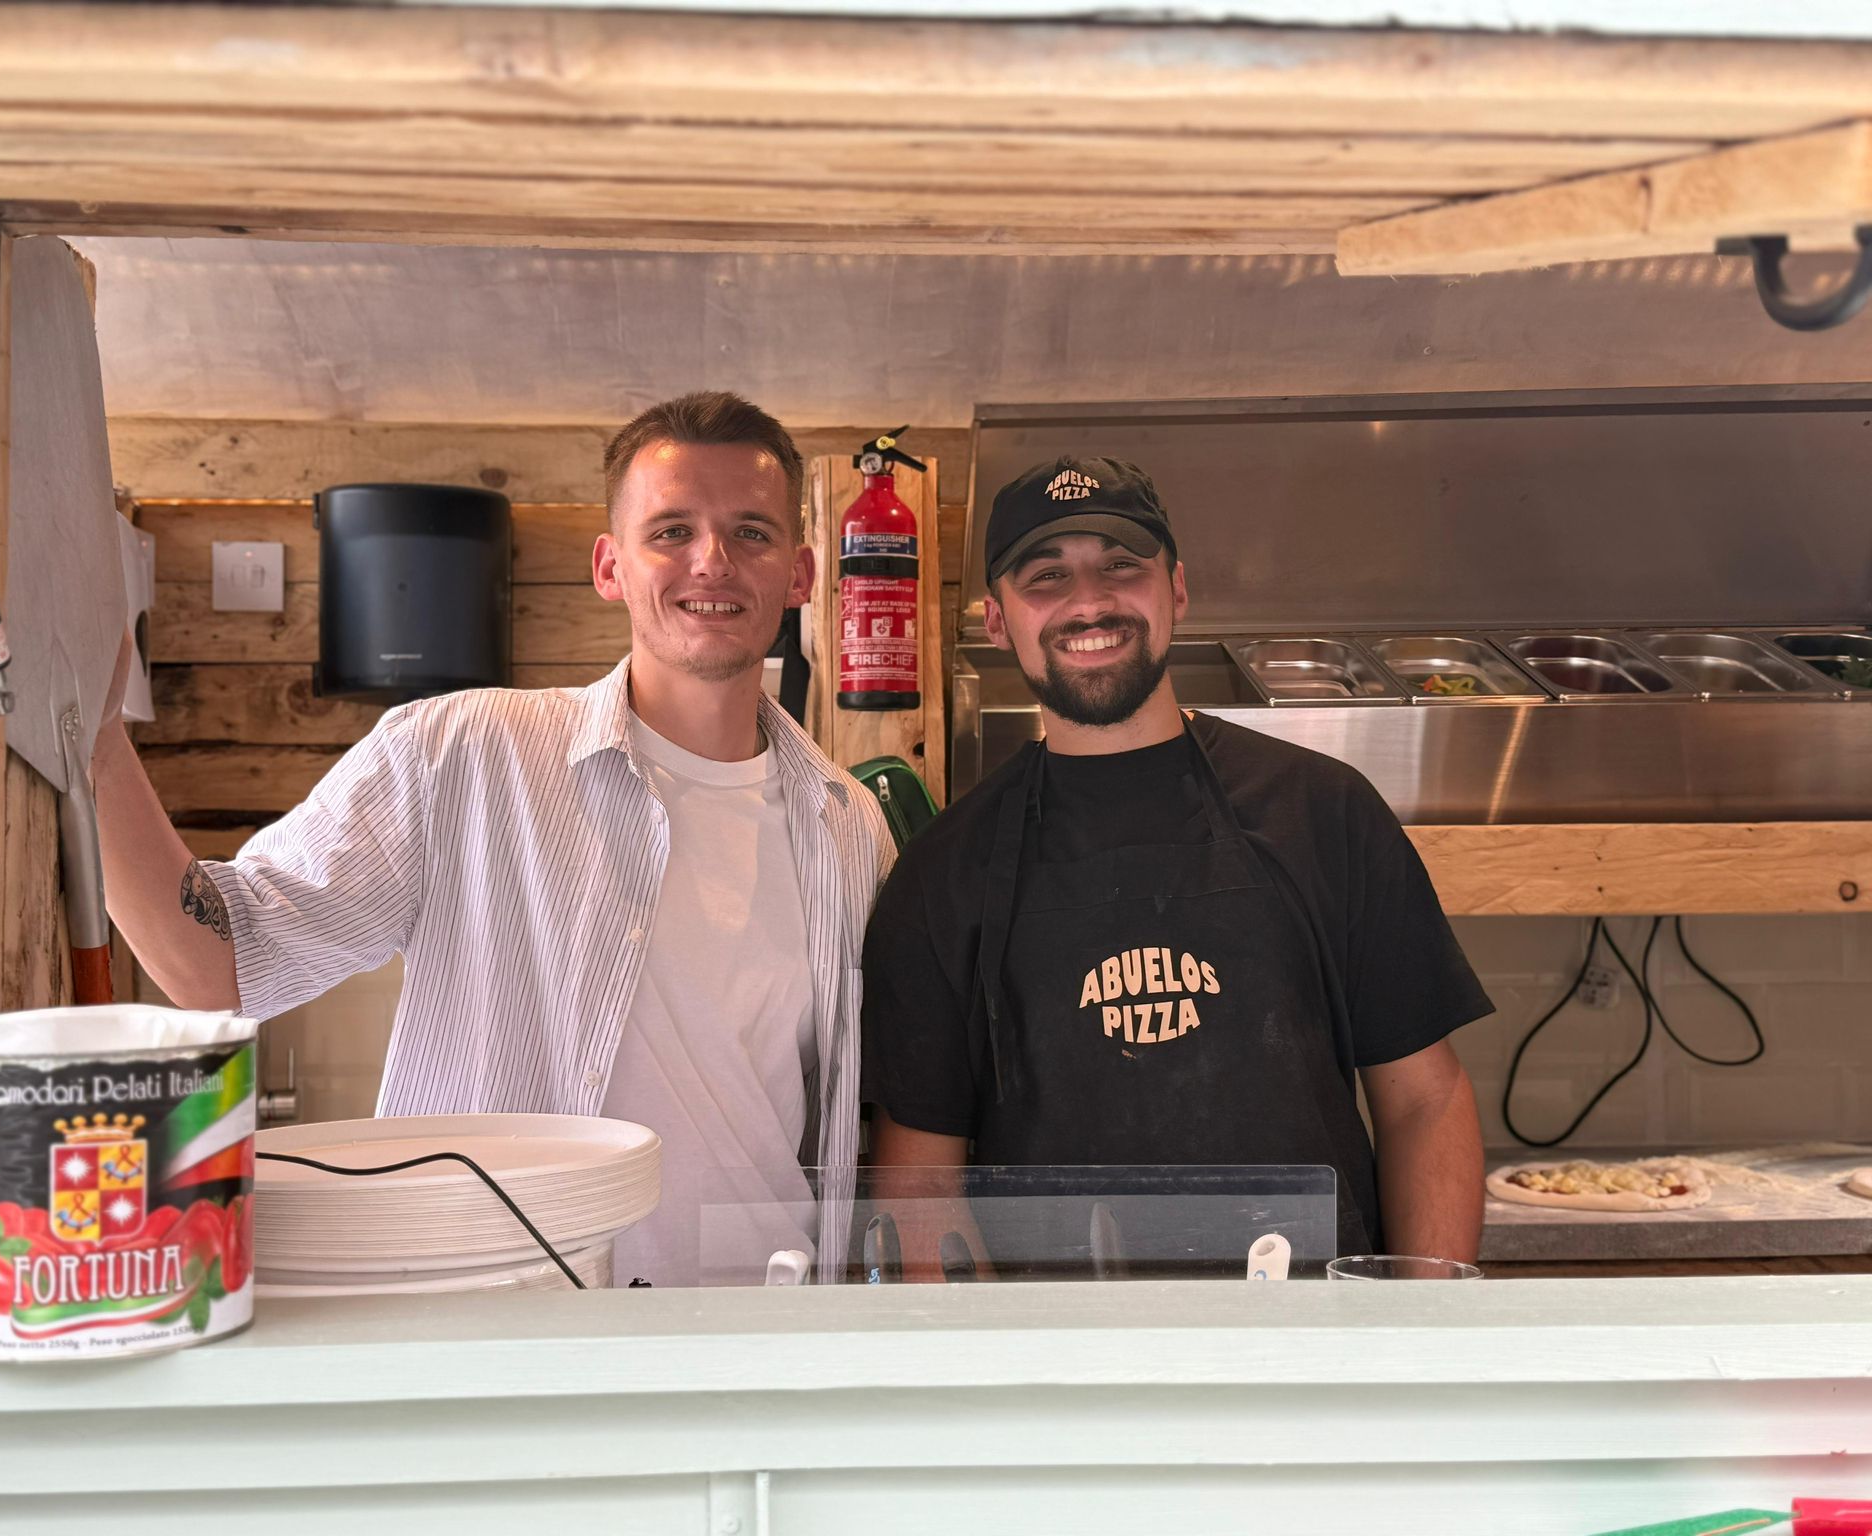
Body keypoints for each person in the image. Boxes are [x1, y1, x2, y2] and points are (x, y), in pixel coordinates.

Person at [92, 390, 894, 1287]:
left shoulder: (848, 824)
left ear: (800, 573)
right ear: (609, 566)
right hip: (499, 1320)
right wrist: (92, 740)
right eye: (670, 531)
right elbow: (220, 963)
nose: (712, 560)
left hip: (755, 1326)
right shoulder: (460, 754)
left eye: (752, 532)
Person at [860, 456, 1489, 1271]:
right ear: (996, 620)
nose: (1089, 600)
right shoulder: (942, 876)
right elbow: (919, 1186)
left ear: (1178, 591)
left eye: (1122, 566)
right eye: (1046, 576)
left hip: (1316, 1365)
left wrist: (1422, 1337)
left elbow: (1425, 1102)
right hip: (1065, 1373)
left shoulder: (1324, 813)